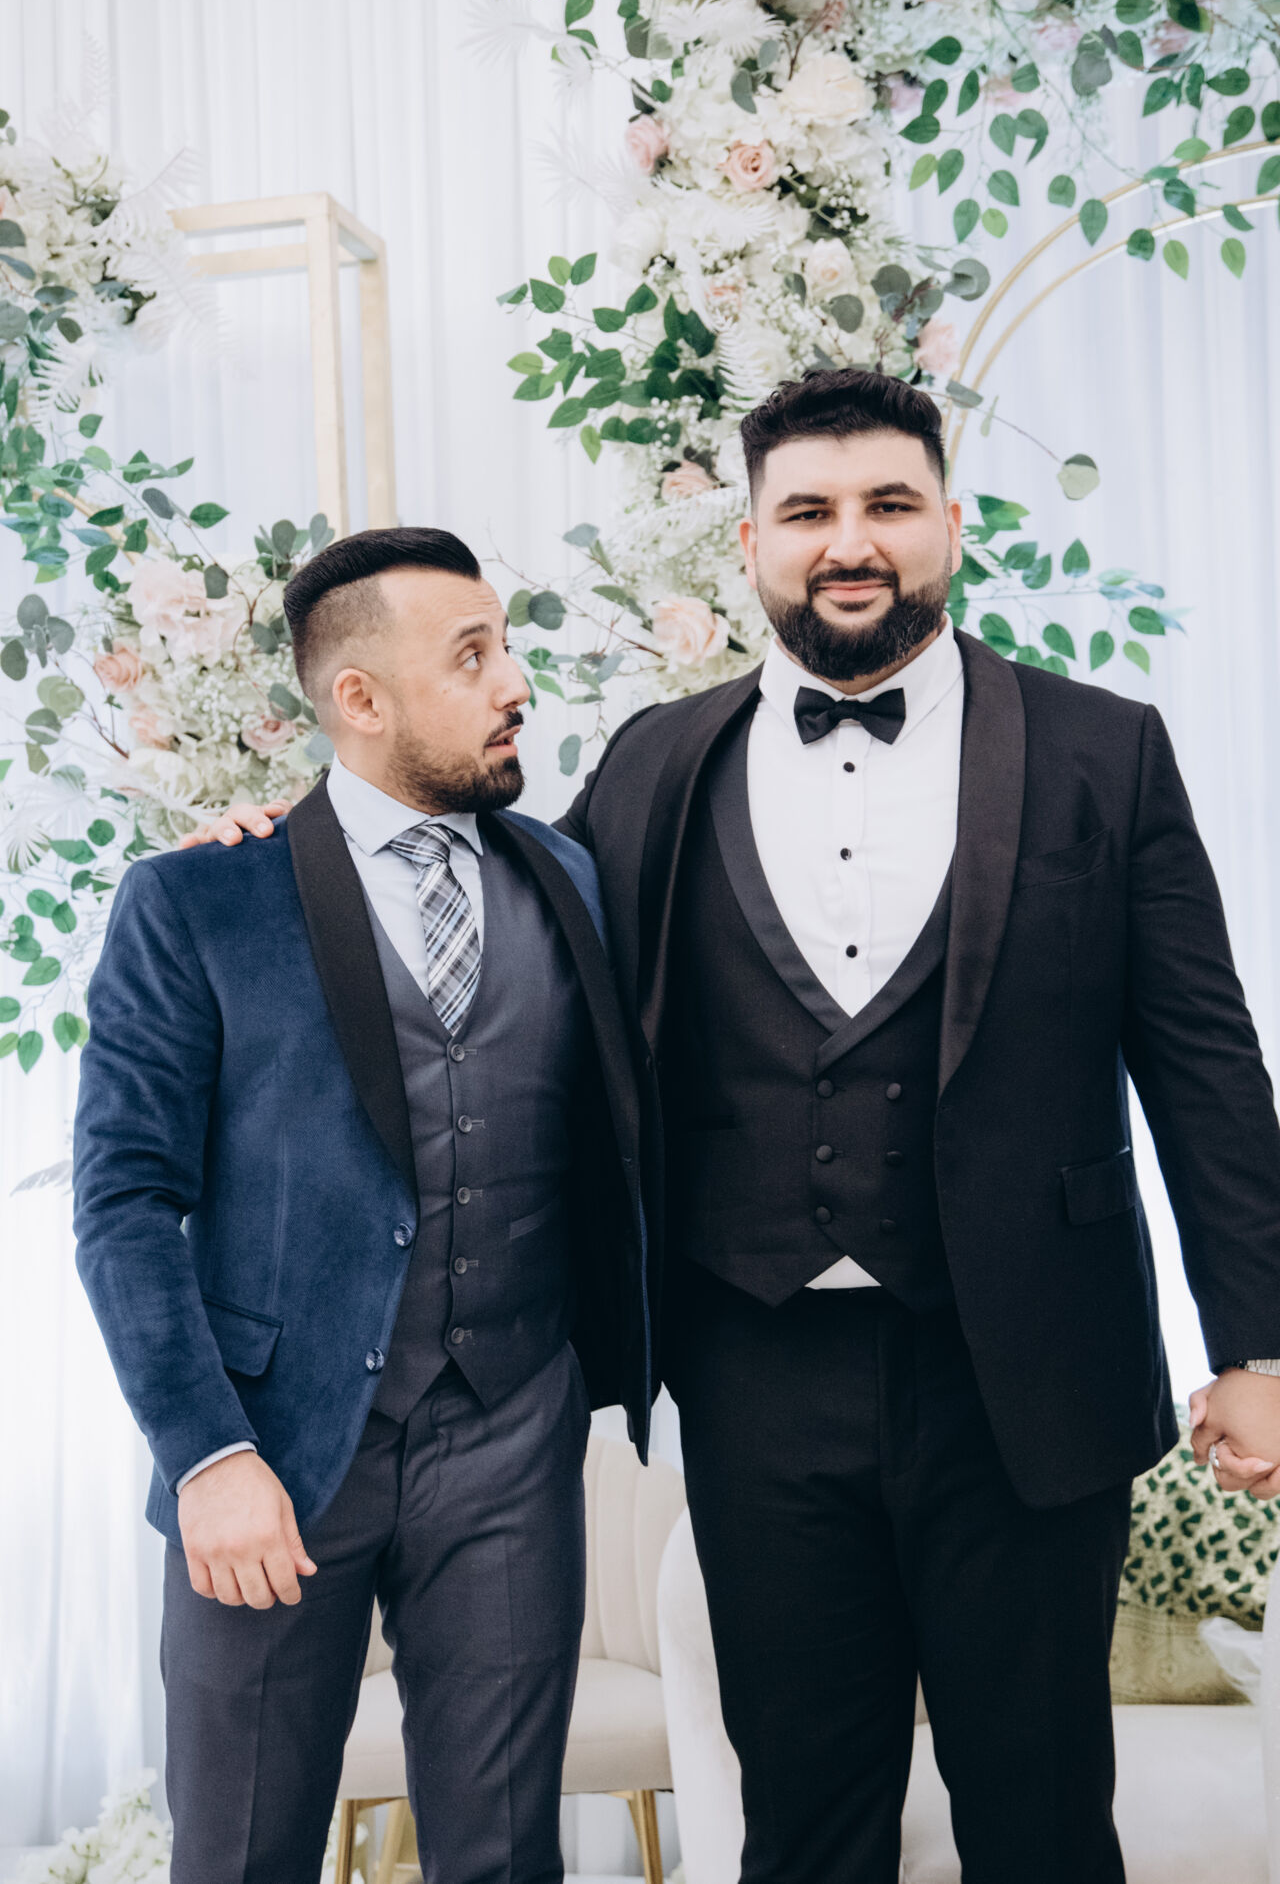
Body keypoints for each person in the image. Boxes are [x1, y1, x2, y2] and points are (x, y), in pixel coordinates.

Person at [194, 371, 1280, 1884]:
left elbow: (1208, 1065)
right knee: (801, 1823)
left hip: (1028, 1371)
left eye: (890, 504)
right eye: (809, 511)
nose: (853, 541)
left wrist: (1258, 1346)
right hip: (755, 1377)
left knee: (1040, 1818)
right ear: (754, 542)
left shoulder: (1109, 750)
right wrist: (281, 846)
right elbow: (482, 912)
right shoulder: (655, 759)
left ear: (952, 523)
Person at [73, 527, 656, 1884]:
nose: (516, 682)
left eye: (508, 646)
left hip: (511, 1435)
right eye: (473, 655)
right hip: (268, 1457)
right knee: (241, 1855)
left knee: (505, 1857)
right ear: (360, 698)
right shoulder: (199, 898)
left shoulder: (566, 876)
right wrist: (208, 1458)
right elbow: (124, 1200)